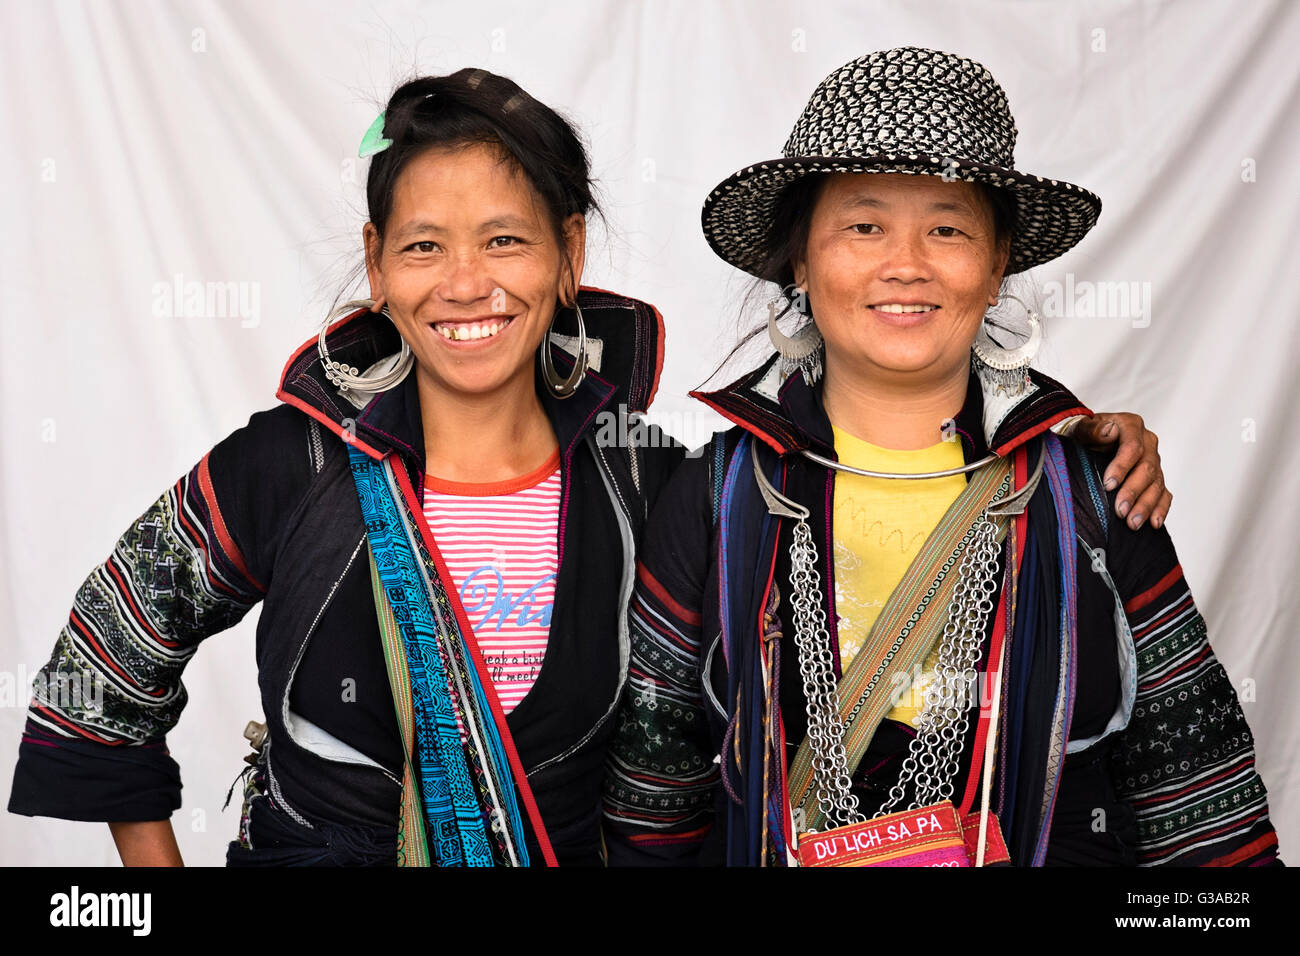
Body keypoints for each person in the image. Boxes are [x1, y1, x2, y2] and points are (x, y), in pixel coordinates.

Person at [8, 65, 1167, 867]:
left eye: (507, 239)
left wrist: (1054, 440)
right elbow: (94, 677)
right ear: (375, 268)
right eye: (423, 246)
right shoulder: (286, 464)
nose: (467, 283)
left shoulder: (650, 479)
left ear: (568, 257)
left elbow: (818, 591)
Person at [602, 47, 1281, 867]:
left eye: (948, 228)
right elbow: (653, 808)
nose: (907, 263)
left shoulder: (1092, 495)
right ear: (801, 262)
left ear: (996, 270)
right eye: (864, 223)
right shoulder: (718, 495)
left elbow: (1204, 808)